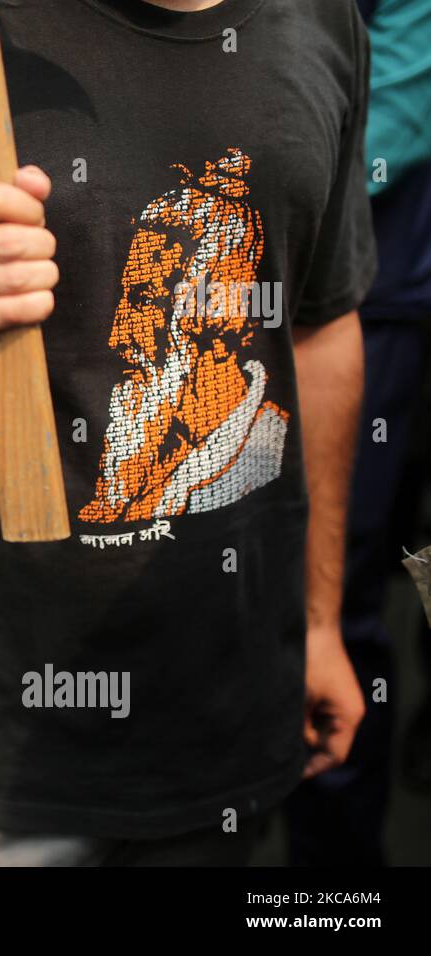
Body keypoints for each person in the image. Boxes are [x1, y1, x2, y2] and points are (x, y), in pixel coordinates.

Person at [0, 0, 374, 865]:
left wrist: (320, 623)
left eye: (166, 280)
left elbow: (322, 329)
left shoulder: (323, 20)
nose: (134, 320)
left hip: (225, 724)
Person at [285, 0, 431, 864]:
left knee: (342, 593)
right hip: (236, 272)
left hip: (369, 288)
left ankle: (331, 879)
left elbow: (405, 95)